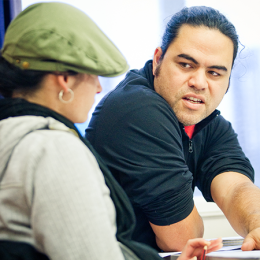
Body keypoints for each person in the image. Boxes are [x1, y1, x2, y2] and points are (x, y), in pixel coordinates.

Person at [0, 2, 223, 260]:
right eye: (93, 76)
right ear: (64, 79)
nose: (97, 88)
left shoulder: (11, 134)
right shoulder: (54, 150)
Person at [86, 5, 260, 253]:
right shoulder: (137, 111)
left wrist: (257, 224)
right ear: (158, 60)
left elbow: (235, 188)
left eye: (214, 73)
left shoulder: (207, 124)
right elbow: (182, 240)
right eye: (186, 65)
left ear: (228, 81)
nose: (199, 83)